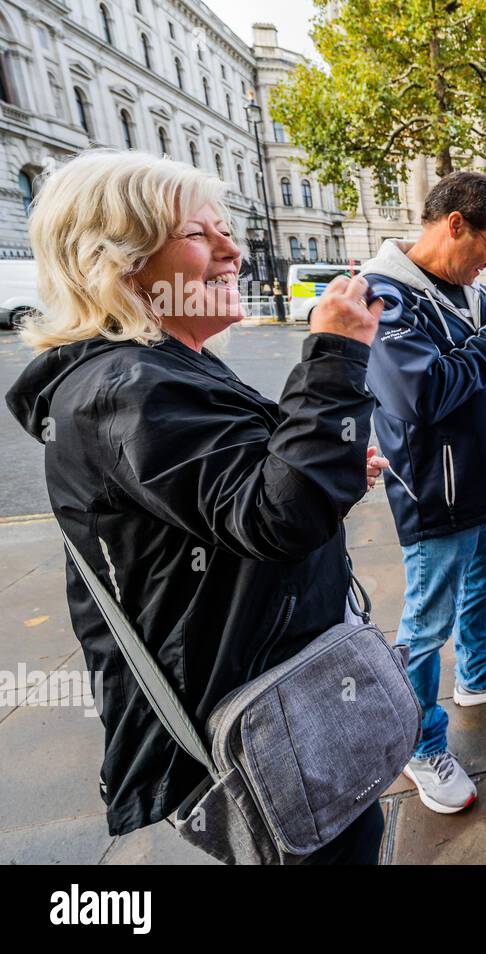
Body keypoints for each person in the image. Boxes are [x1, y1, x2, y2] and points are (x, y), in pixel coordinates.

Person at [4, 150, 388, 863]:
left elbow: (243, 499)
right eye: (201, 234)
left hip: (278, 700)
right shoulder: (127, 385)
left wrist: (329, 469)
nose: (233, 251)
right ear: (119, 260)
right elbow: (279, 516)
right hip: (262, 729)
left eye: (225, 232)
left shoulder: (161, 364)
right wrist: (334, 352)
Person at [361, 171, 486, 815]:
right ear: (454, 224)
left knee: (479, 588)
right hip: (438, 495)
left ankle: (479, 675)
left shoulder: (466, 289)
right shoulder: (383, 294)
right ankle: (417, 744)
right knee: (425, 623)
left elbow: (477, 360)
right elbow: (420, 394)